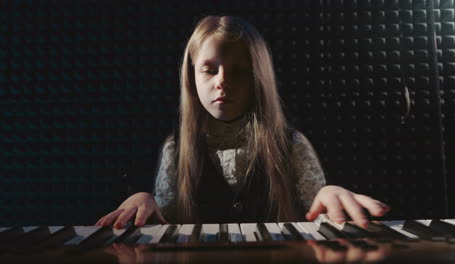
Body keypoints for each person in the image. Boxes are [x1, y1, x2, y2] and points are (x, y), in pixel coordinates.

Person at [96, 16, 390, 229]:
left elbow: (318, 213)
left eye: (238, 72)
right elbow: (166, 222)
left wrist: (327, 195)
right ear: (191, 78)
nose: (222, 82)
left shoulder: (291, 144)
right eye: (209, 70)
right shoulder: (177, 149)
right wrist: (145, 201)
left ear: (258, 79)